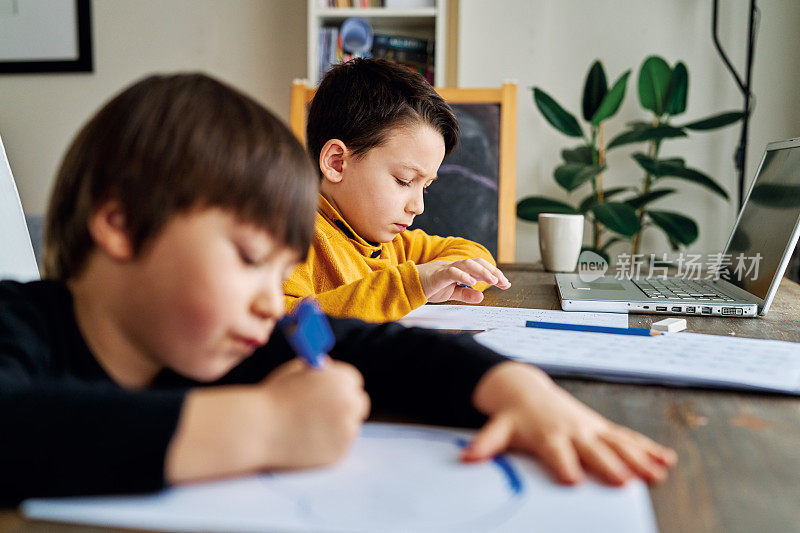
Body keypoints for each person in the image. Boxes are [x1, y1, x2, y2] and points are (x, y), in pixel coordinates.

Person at [0, 73, 675, 507]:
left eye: (281, 270)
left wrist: (520, 391)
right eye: (246, 258)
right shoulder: (19, 323)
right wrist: (264, 426)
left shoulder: (235, 335)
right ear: (120, 224)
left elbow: (375, 348)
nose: (273, 301)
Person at [284, 58, 512, 322]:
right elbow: (281, 324)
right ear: (337, 162)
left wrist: (438, 278)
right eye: (404, 181)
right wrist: (411, 286)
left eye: (425, 186)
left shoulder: (391, 244)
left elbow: (475, 255)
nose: (418, 206)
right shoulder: (292, 238)